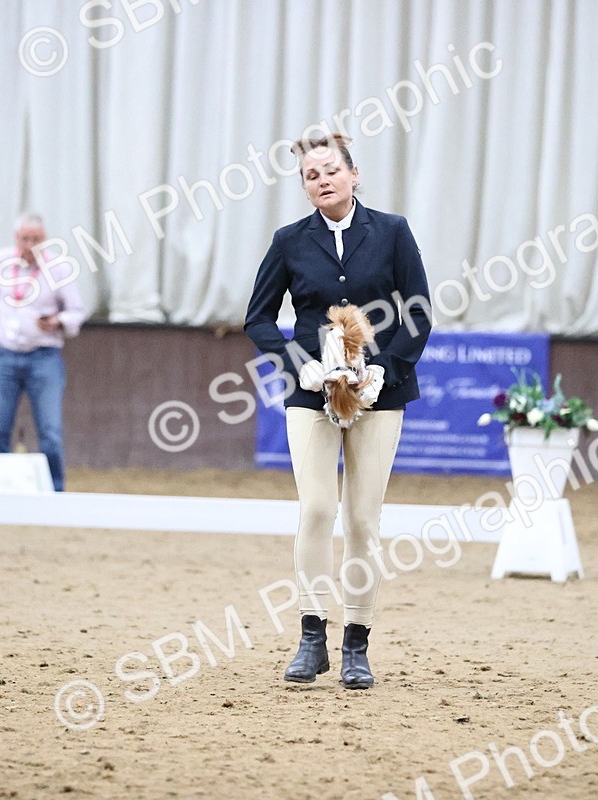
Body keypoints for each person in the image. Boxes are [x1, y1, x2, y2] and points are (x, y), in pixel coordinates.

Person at [245, 134, 432, 689]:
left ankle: (356, 643)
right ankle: (311, 635)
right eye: (310, 175)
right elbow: (258, 318)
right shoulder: (288, 241)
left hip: (379, 389)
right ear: (305, 188)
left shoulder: (393, 232)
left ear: (353, 174)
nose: (322, 180)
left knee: (362, 520)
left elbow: (418, 310)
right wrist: (294, 363)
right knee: (317, 509)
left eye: (330, 170)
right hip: (311, 392)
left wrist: (388, 369)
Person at [0, 213, 84, 492]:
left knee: (50, 433)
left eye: (36, 239)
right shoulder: (1, 261)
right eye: (25, 239)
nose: (30, 244)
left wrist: (57, 322)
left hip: (43, 357)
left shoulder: (59, 269)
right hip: (4, 355)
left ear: (45, 240)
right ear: (16, 239)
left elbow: (76, 311)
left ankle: (55, 490)